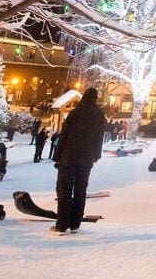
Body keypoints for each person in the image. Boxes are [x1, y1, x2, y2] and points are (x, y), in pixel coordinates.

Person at [50, 87, 106, 235]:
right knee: (81, 191)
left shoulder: (75, 113)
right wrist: (96, 155)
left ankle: (62, 225)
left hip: (69, 157)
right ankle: (75, 224)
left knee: (64, 191)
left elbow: (64, 136)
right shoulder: (100, 115)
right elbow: (99, 139)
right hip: (86, 159)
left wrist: (57, 156)